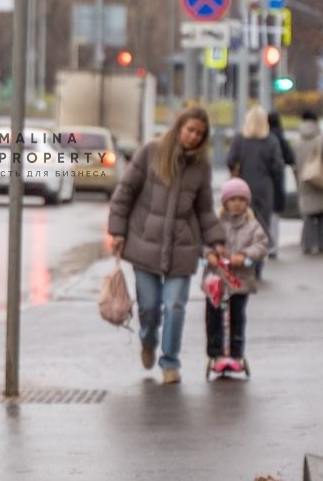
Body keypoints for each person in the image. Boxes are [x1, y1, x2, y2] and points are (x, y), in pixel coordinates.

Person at [108, 105, 226, 384]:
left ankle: (170, 361)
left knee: (175, 306)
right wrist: (117, 231)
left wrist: (216, 240)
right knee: (149, 307)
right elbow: (124, 192)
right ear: (179, 128)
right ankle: (148, 340)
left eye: (200, 133)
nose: (193, 137)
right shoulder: (151, 152)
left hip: (182, 248)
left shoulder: (201, 167)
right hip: (144, 243)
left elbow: (205, 209)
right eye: (190, 130)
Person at [204, 177, 271, 374]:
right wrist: (209, 255)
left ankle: (236, 353)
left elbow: (262, 244)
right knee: (213, 316)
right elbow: (204, 242)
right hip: (217, 281)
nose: (237, 204)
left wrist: (245, 255)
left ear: (247, 203)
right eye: (232, 200)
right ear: (225, 203)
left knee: (237, 316)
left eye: (242, 200)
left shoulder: (253, 226)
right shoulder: (216, 224)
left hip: (240, 281)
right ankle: (215, 353)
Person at [228, 104, 286, 276]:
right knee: (261, 227)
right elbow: (278, 167)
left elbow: (231, 160)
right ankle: (257, 265)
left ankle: (240, 261)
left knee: (241, 225)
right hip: (264, 189)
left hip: (242, 189)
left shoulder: (239, 140)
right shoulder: (271, 141)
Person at [291, 110, 323, 254]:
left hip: (305, 183)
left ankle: (307, 245)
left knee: (308, 216)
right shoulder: (322, 139)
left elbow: (294, 165)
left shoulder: (297, 142)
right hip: (322, 181)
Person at [266, 111, 295, 257]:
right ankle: (273, 247)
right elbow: (290, 158)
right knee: (274, 217)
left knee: (262, 216)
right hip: (277, 181)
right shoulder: (280, 137)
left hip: (263, 182)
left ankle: (263, 246)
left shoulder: (263, 137)